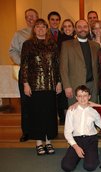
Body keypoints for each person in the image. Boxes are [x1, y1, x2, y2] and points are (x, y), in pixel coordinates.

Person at [20, 18, 62, 155]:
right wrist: (25, 83)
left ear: (46, 29)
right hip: (34, 85)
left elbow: (57, 65)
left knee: (49, 114)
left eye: (43, 27)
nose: (40, 29)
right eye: (37, 27)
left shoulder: (52, 44)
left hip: (50, 85)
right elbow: (24, 65)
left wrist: (59, 82)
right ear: (34, 29)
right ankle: (39, 142)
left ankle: (48, 140)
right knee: (37, 114)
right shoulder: (28, 44)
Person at [9, 8, 39, 142]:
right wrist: (23, 63)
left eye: (33, 16)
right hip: (26, 72)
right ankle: (26, 132)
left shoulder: (43, 32)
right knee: (26, 102)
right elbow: (12, 51)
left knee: (39, 101)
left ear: (37, 17)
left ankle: (39, 129)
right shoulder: (19, 34)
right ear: (25, 19)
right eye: (28, 17)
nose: (30, 19)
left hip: (41, 74)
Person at [61, 85, 101, 172]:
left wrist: (97, 105)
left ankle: (93, 153)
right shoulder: (71, 111)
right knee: (66, 167)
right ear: (76, 98)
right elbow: (67, 132)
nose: (82, 98)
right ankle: (78, 154)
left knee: (89, 167)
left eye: (85, 96)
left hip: (91, 140)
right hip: (77, 140)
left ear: (89, 97)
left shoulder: (94, 112)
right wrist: (76, 147)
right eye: (79, 96)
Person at [60, 19, 100, 105]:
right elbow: (63, 68)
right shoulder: (67, 45)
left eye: (85, 27)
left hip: (92, 86)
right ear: (75, 29)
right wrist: (67, 86)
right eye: (79, 27)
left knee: (91, 113)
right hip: (75, 86)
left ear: (88, 29)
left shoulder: (95, 45)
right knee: (76, 114)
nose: (82, 29)